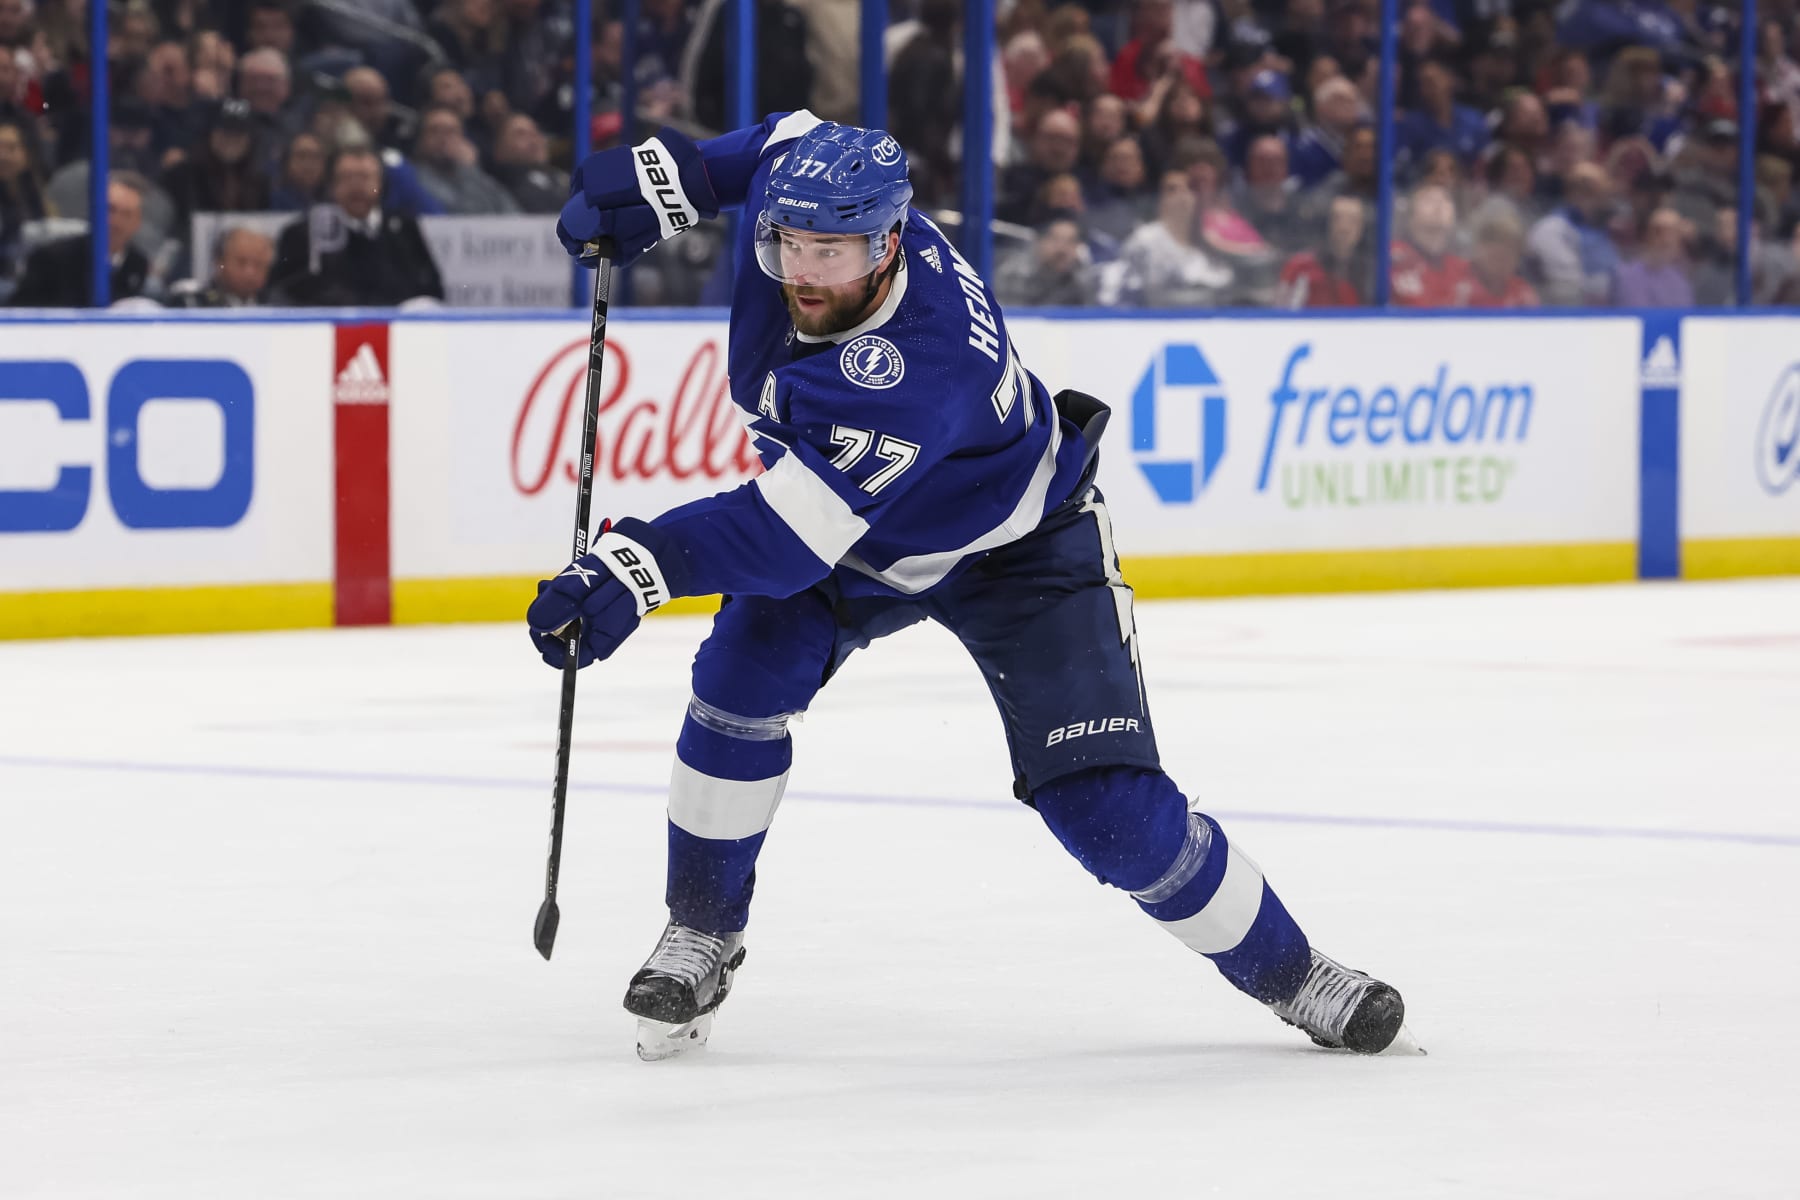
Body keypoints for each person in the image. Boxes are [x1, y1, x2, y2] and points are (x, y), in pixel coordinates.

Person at [536, 112, 1417, 1062]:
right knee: (737, 689)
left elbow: (785, 540)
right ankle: (704, 928)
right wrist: (673, 180)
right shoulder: (814, 192)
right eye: (789, 243)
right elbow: (788, 134)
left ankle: (1296, 972)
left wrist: (639, 563)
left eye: (834, 253)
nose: (804, 274)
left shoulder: (918, 370)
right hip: (859, 534)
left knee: (1110, 815)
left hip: (1019, 548)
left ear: (890, 242)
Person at [268, 144, 444, 306]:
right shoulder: (304, 233)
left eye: (365, 177)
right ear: (331, 185)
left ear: (381, 184)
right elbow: (287, 292)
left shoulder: (404, 228)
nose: (357, 186)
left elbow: (432, 287)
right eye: (347, 178)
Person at [9, 173, 151, 307]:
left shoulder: (137, 263)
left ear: (137, 222)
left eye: (127, 214)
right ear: (94, 211)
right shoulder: (53, 257)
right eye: (110, 209)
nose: (115, 221)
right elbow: (20, 310)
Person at [168, 226, 277, 307]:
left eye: (259, 264)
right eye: (241, 262)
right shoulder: (192, 302)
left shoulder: (280, 306)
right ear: (220, 261)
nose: (250, 272)